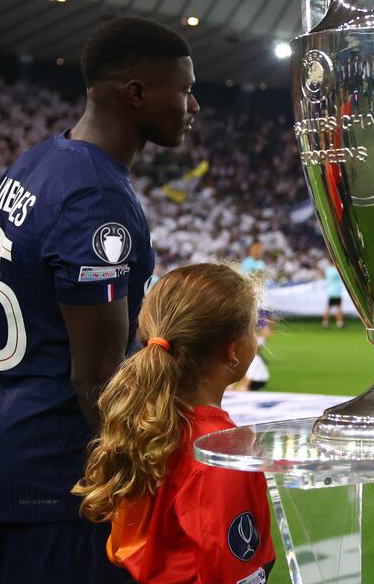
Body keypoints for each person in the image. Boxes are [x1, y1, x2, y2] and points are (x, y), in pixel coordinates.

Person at [0, 16, 198, 583]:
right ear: (137, 94)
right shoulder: (94, 196)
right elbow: (95, 380)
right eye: (185, 89)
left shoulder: (39, 162)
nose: (194, 106)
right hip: (61, 477)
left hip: (4, 450)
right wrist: (161, 466)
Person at [72, 263, 275, 582]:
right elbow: (237, 572)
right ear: (233, 351)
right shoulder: (221, 452)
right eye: (252, 327)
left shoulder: (144, 422)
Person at [238, 240, 272, 389]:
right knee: (251, 333)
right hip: (252, 302)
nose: (260, 250)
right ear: (251, 249)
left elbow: (262, 282)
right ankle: (249, 368)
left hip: (261, 302)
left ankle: (255, 361)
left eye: (261, 248)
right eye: (257, 248)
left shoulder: (261, 264)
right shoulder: (247, 264)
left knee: (261, 332)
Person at [322, 260, 345, 329]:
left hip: (330, 291)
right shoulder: (337, 270)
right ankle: (339, 323)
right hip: (337, 291)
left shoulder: (328, 270)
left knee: (328, 308)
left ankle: (325, 322)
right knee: (339, 308)